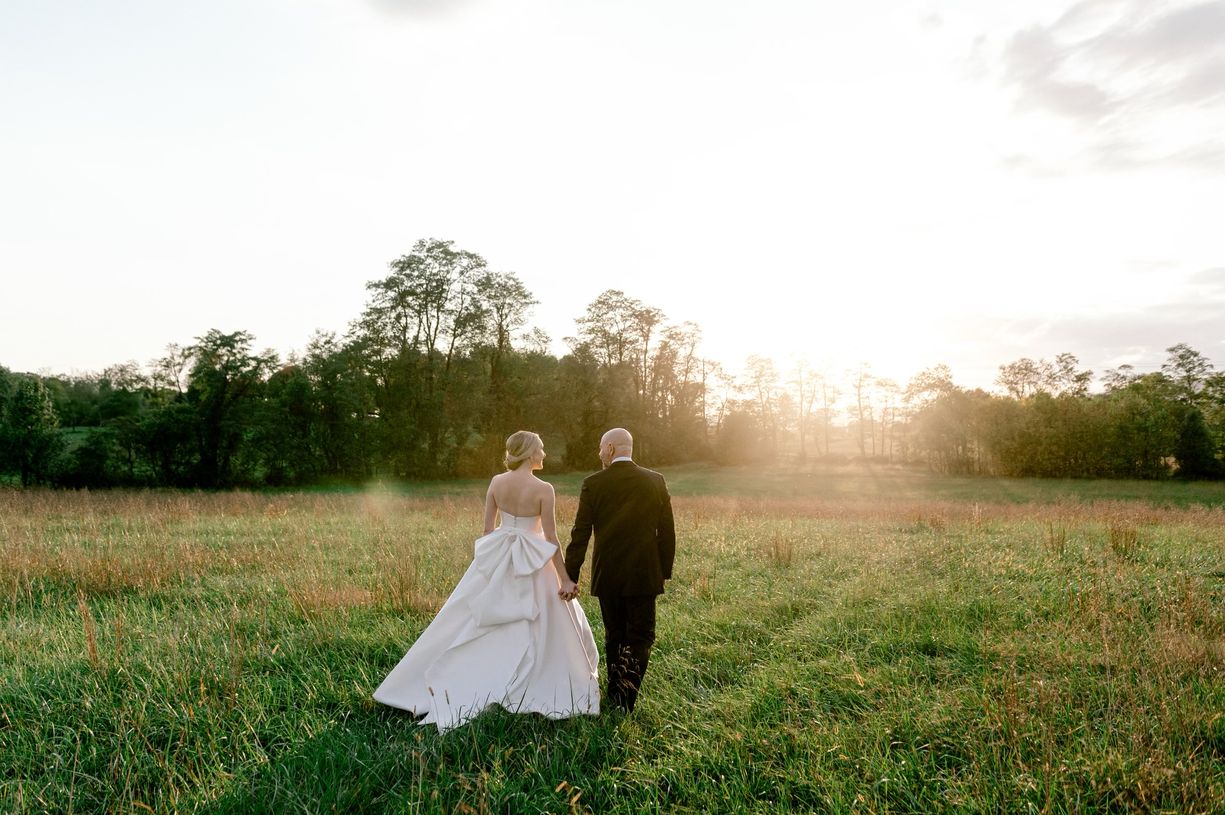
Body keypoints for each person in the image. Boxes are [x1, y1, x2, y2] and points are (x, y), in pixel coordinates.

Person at [372, 431, 600, 731]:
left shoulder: (496, 482)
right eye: (541, 448)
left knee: (469, 618)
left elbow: (487, 531)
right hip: (533, 561)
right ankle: (532, 683)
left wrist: (492, 568)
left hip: (500, 556)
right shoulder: (544, 489)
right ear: (530, 453)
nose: (544, 453)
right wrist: (565, 579)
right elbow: (552, 538)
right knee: (545, 625)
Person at [564, 427, 675, 713]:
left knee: (615, 634)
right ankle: (626, 698)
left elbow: (580, 533)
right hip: (644, 574)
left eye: (601, 448)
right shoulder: (655, 481)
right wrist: (661, 571)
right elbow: (667, 533)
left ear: (611, 448)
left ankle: (615, 694)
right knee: (641, 636)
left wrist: (569, 575)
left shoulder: (593, 483)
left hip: (608, 574)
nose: (600, 453)